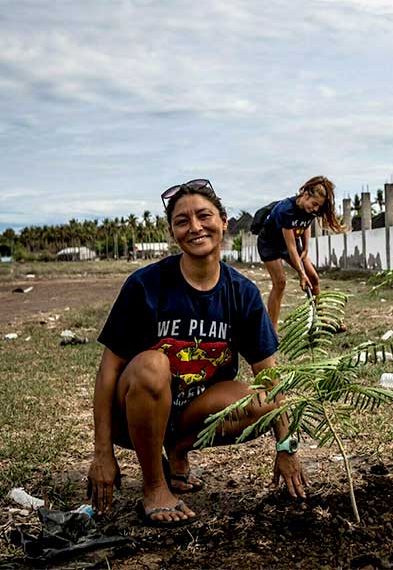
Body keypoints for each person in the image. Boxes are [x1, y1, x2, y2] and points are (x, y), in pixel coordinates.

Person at [86, 179, 307, 527]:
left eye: (204, 216)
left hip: (192, 413)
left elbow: (269, 377)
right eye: (182, 221)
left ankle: (176, 452)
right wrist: (102, 453)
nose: (195, 227)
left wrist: (285, 448)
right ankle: (154, 485)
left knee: (262, 402)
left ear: (223, 221)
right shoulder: (146, 285)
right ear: (173, 232)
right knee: (152, 365)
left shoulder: (242, 294)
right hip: (133, 415)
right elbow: (108, 372)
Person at [257, 176, 344, 327]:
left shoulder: (310, 209)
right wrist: (301, 274)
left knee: (314, 278)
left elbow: (305, 225)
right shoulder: (287, 210)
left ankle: (322, 321)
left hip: (288, 243)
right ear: (305, 194)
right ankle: (272, 329)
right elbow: (291, 247)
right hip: (269, 243)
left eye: (318, 206)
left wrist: (305, 248)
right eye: (314, 204)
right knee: (280, 282)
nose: (316, 209)